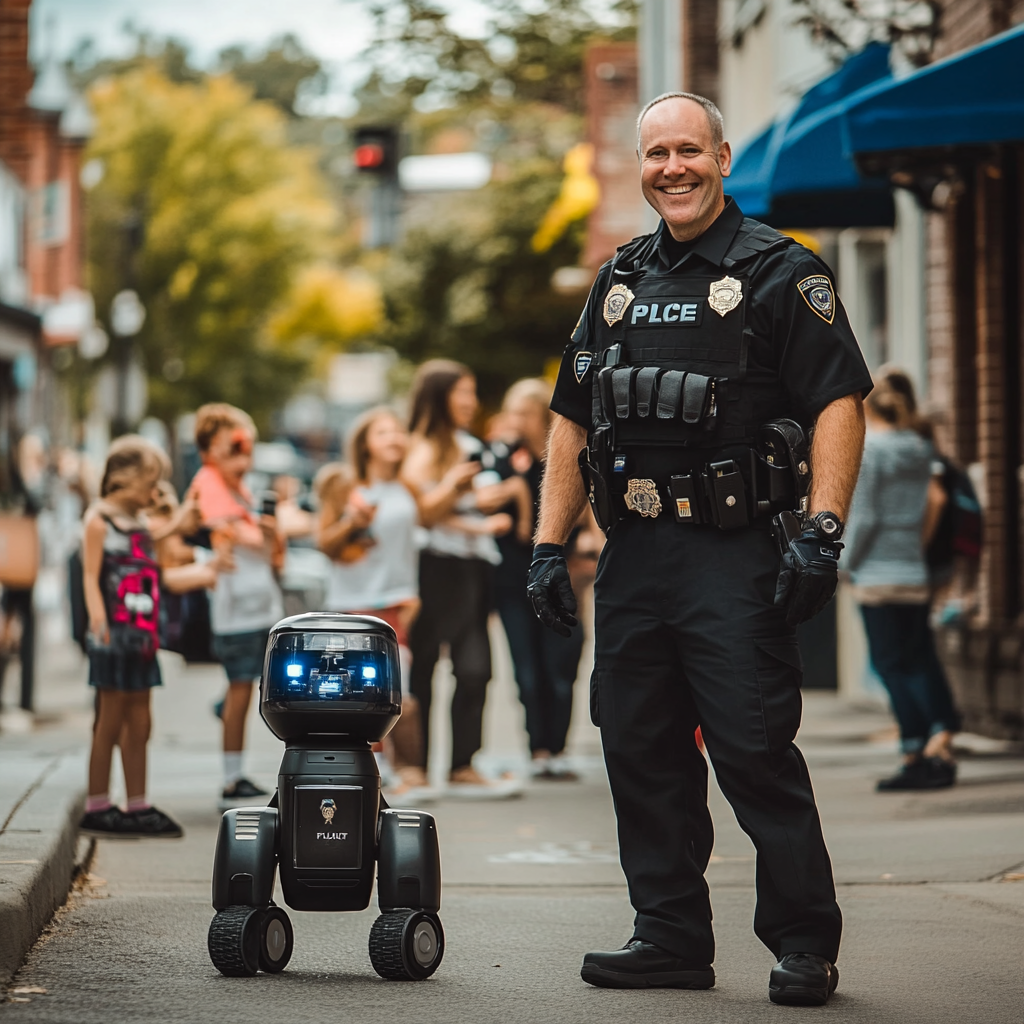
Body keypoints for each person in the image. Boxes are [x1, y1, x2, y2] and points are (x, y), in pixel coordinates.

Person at [528, 92, 872, 1006]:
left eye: (688, 151)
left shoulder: (778, 271)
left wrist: (823, 530)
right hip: (636, 555)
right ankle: (670, 934)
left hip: (736, 555)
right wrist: (545, 546)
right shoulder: (618, 280)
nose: (671, 169)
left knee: (754, 751)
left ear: (722, 157)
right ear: (641, 166)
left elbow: (839, 400)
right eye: (656, 155)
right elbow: (569, 418)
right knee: (638, 748)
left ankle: (804, 943)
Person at [78, 436, 218, 838]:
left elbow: (164, 532)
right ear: (124, 479)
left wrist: (185, 514)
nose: (155, 492)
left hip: (142, 635)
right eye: (150, 481)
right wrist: (97, 614)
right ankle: (98, 803)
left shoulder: (142, 523)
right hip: (113, 635)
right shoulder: (99, 520)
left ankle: (137, 802)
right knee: (109, 719)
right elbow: (90, 574)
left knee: (141, 720)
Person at [402, 359, 523, 798]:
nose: (471, 402)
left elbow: (462, 506)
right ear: (439, 397)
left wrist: (488, 500)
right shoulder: (418, 448)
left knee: (476, 669)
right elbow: (422, 512)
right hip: (434, 567)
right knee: (425, 667)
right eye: (463, 393)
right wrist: (455, 488)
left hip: (474, 567)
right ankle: (414, 766)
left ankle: (463, 765)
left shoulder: (468, 443)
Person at [845, 379, 961, 790]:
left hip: (877, 576)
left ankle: (916, 752)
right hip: (912, 572)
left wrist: (844, 563)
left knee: (891, 667)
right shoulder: (918, 448)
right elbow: (934, 502)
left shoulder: (871, 451)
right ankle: (937, 740)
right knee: (916, 662)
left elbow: (867, 515)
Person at [315, 407, 430, 799]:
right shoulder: (344, 485)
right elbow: (326, 545)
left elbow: (432, 522)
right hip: (354, 605)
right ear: (365, 442)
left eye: (399, 431)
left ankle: (407, 772)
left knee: (401, 692)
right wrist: (352, 519)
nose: (395, 438)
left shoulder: (408, 487)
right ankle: (373, 774)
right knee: (363, 695)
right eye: (384, 432)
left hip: (398, 604)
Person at [189, 404, 284, 806]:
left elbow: (269, 547)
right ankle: (231, 778)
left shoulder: (240, 488)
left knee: (250, 687)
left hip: (258, 603)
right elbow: (241, 536)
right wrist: (265, 532)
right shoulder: (210, 483)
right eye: (236, 446)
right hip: (237, 609)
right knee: (242, 690)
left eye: (250, 446)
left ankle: (225, 714)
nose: (245, 455)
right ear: (211, 449)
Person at [492, 378, 586, 780]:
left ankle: (558, 747)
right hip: (513, 581)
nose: (515, 422)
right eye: (511, 412)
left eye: (523, 413)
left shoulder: (561, 460)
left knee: (559, 669)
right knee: (526, 673)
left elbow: (583, 513)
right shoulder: (501, 459)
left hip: (559, 576)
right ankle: (538, 748)